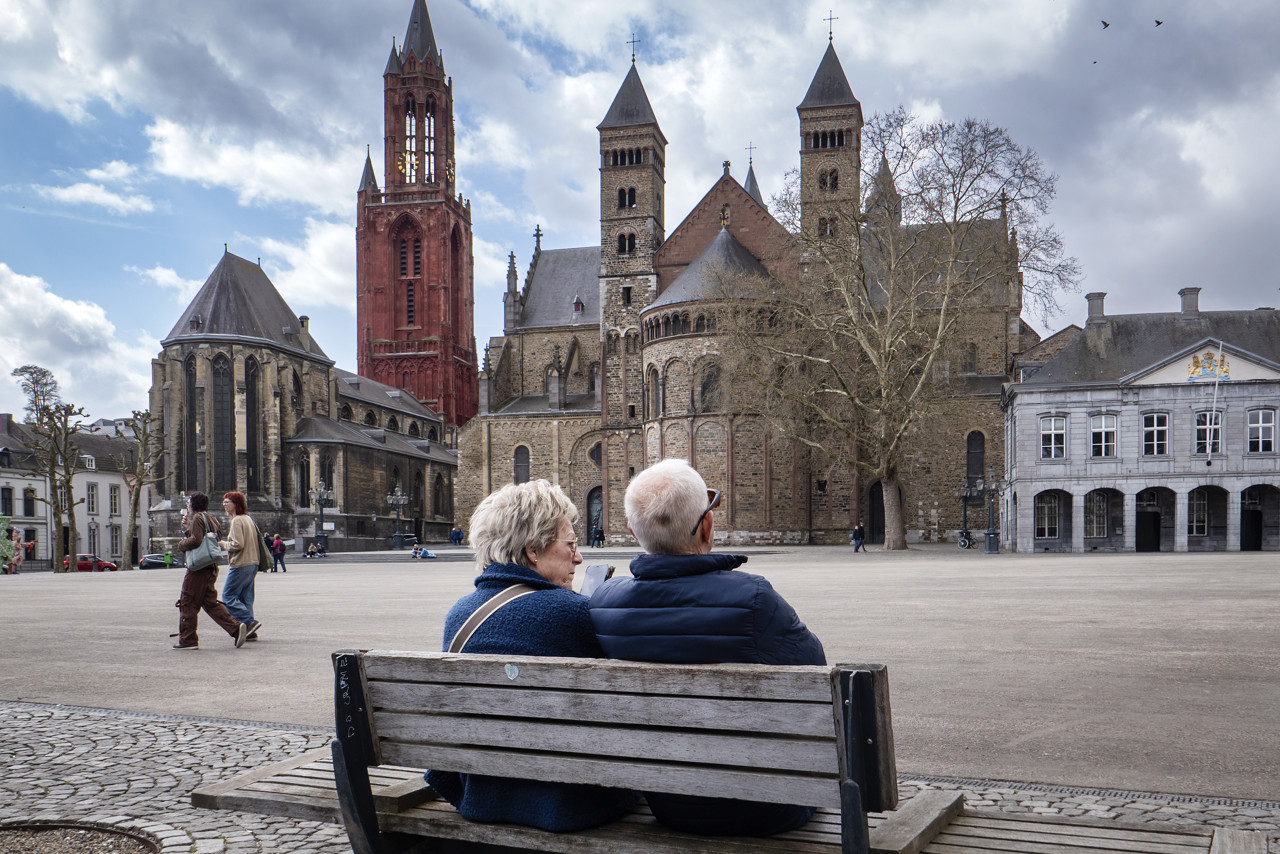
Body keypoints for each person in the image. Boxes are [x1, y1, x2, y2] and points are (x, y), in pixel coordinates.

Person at [589, 459, 826, 837]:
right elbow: (815, 677)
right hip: (768, 808)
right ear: (708, 526)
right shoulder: (755, 599)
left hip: (669, 803)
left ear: (634, 532)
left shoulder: (602, 604)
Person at [426, 479, 637, 832]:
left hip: (481, 799)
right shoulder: (576, 614)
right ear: (533, 551)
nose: (579, 557)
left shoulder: (459, 615)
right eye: (570, 545)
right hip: (571, 805)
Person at [173, 492, 248, 650]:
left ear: (194, 504)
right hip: (210, 565)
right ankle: (235, 628)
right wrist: (188, 528)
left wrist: (181, 544)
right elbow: (210, 539)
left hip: (198, 567)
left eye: (188, 502)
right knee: (210, 603)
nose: (187, 505)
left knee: (188, 601)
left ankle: (188, 640)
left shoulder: (199, 517)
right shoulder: (211, 519)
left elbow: (197, 540)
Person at [219, 492, 264, 642]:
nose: (224, 505)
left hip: (241, 563)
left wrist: (222, 544)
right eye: (224, 502)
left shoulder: (237, 520)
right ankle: (250, 631)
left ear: (236, 504)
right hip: (253, 562)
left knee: (228, 596)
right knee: (246, 598)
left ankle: (249, 621)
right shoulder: (248, 519)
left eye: (227, 502)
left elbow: (238, 544)